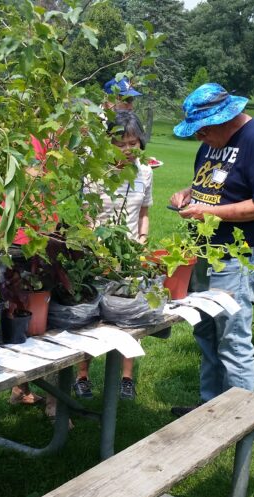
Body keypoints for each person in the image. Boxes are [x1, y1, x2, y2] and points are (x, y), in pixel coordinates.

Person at [167, 83, 254, 416]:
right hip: (203, 251)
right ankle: (209, 408)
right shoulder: (211, 142)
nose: (198, 136)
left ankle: (240, 421)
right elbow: (218, 184)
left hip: (233, 257)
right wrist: (188, 193)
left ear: (224, 118)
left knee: (232, 339)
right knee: (206, 332)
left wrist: (209, 213)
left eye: (202, 129)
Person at [74, 111, 153, 400]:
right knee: (91, 316)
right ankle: (82, 374)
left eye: (134, 143)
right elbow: (86, 215)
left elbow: (144, 213)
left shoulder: (145, 172)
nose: (129, 149)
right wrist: (99, 246)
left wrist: (141, 241)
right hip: (97, 253)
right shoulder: (94, 172)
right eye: (122, 144)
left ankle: (127, 377)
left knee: (127, 315)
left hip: (129, 254)